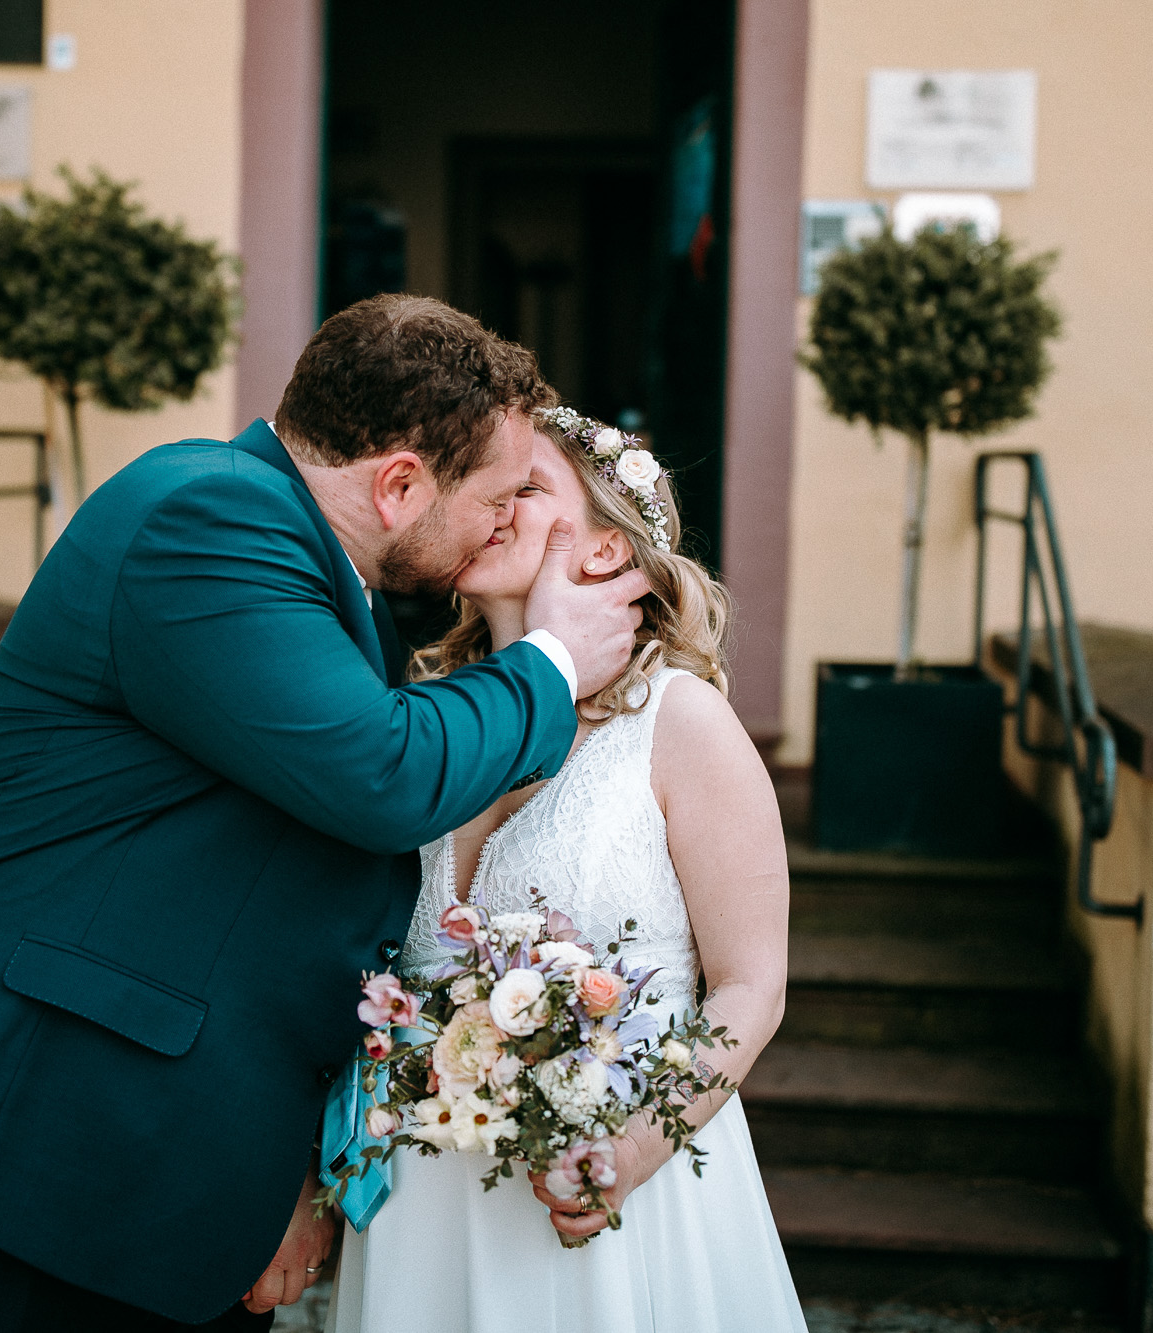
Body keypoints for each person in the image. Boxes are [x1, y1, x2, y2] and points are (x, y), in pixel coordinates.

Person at [0, 294, 651, 1331]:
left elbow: (280, 900)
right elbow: (379, 776)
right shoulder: (205, 516)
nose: (505, 520)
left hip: (150, 1165)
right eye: (499, 493)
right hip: (20, 1143)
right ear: (397, 484)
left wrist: (280, 1175)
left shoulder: (314, 579)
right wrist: (554, 659)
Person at [327, 407, 807, 1332]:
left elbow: (753, 986)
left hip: (613, 1203)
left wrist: (629, 1150)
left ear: (602, 554)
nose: (488, 502)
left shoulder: (679, 723)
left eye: (526, 488)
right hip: (426, 1213)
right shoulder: (424, 719)